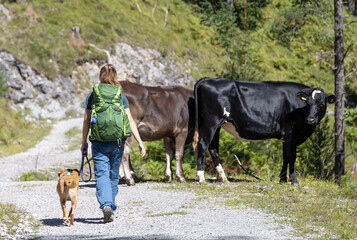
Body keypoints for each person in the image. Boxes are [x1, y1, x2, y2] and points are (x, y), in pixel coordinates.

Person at [81, 63, 146, 223]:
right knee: (112, 175)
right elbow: (130, 120)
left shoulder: (93, 95)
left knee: (101, 174)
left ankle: (106, 205)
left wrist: (83, 143)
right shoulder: (120, 95)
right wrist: (140, 141)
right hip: (118, 142)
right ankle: (111, 207)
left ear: (100, 76)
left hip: (98, 141)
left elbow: (86, 121)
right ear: (115, 76)